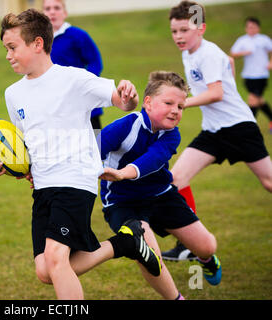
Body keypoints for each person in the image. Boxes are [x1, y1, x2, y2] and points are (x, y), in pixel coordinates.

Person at [0, 9, 161, 300]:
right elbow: (25, 146)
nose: (8, 55)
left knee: (55, 258)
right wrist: (5, 167)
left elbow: (123, 101)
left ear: (37, 44)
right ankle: (126, 244)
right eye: (6, 49)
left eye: (13, 47)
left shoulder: (74, 79)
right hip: (43, 186)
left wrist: (129, 95)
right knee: (45, 270)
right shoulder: (12, 94)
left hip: (76, 180)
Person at [162, 1, 272, 261]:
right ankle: (189, 244)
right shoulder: (189, 53)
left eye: (184, 30)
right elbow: (230, 61)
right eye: (174, 31)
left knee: (268, 182)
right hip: (213, 131)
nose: (178, 36)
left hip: (239, 128)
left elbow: (216, 93)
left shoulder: (208, 53)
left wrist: (181, 104)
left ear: (201, 28)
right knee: (175, 180)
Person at [99, 71, 221, 299]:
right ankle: (176, 298)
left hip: (161, 195)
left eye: (181, 106)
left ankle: (206, 260)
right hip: (122, 203)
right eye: (169, 103)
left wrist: (123, 173)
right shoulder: (125, 126)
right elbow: (91, 151)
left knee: (207, 246)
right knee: (148, 254)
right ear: (148, 103)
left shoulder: (172, 135)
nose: (175, 110)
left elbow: (152, 159)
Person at [42, 0, 104, 130]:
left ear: (64, 13)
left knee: (96, 144)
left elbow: (95, 62)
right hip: (57, 104)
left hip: (83, 101)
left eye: (56, 8)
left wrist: (83, 84)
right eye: (47, 9)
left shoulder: (77, 35)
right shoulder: (40, 40)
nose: (52, 12)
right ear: (43, 13)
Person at [230, 17, 272, 132]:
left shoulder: (264, 40)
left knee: (252, 100)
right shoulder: (243, 40)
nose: (251, 29)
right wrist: (244, 52)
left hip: (261, 75)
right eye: (248, 27)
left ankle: (250, 126)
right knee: (259, 100)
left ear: (258, 28)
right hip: (248, 75)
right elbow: (233, 53)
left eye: (253, 27)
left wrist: (270, 62)